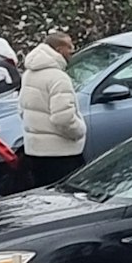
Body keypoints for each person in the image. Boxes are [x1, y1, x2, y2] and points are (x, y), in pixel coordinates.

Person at [19, 30, 86, 186]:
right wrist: (79, 131)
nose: (73, 50)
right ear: (58, 50)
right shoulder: (58, 78)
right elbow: (63, 119)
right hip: (61, 155)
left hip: (34, 152)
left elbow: (22, 108)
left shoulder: (29, 73)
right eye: (69, 47)